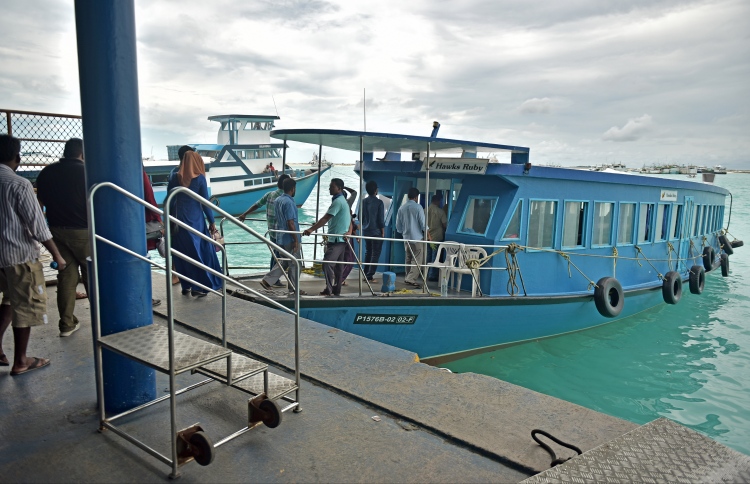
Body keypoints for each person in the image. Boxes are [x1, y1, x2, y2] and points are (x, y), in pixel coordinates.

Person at [0, 134, 66, 375]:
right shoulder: (19, 184)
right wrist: (57, 256)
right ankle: (21, 361)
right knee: (25, 306)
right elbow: (38, 226)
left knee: (10, 299)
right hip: (18, 256)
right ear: (16, 157)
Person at [36, 138, 90, 337]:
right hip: (83, 231)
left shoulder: (47, 172)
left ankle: (66, 324)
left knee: (66, 276)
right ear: (82, 153)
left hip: (56, 231)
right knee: (92, 275)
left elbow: (39, 203)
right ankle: (101, 319)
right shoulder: (87, 172)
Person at [166, 151, 223, 297]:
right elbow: (204, 202)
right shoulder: (199, 179)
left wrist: (167, 219)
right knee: (199, 252)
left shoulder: (174, 176)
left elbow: (169, 199)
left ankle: (186, 285)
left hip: (177, 219)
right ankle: (198, 286)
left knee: (182, 253)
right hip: (195, 220)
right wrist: (211, 221)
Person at [303, 178, 350, 296]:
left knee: (327, 263)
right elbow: (348, 218)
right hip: (340, 238)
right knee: (338, 267)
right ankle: (336, 290)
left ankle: (329, 290)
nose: (329, 188)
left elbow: (326, 218)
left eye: (332, 187)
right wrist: (349, 231)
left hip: (337, 240)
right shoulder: (342, 201)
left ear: (339, 188)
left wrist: (311, 229)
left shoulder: (338, 202)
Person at [238, 173, 291, 278]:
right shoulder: (285, 198)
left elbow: (257, 205)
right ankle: (272, 279)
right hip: (281, 232)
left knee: (275, 255)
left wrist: (245, 214)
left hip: (271, 231)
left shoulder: (269, 194)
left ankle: (271, 278)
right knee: (281, 257)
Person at [259, 178, 305, 295]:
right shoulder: (289, 202)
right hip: (289, 237)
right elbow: (290, 222)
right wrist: (295, 239)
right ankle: (294, 288)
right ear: (293, 188)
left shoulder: (278, 200)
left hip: (280, 236)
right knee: (295, 263)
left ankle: (267, 280)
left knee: (284, 262)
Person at [395, 187, 429, 286]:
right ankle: (411, 279)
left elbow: (398, 226)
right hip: (417, 237)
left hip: (406, 238)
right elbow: (423, 224)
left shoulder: (402, 208)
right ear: (416, 197)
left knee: (408, 258)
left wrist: (403, 232)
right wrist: (428, 235)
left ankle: (407, 277)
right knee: (417, 259)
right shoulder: (418, 207)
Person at [143, 168, 162, 307]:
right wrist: (158, 219)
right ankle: (145, 297)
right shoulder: (139, 173)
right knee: (141, 261)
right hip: (140, 223)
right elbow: (149, 198)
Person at [361, 180, 385, 282]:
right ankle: (369, 276)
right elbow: (380, 219)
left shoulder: (363, 201)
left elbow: (360, 217)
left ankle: (365, 273)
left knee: (368, 252)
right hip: (376, 232)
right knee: (375, 254)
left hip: (366, 231)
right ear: (376, 190)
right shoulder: (379, 202)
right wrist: (382, 232)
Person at [426, 194, 448, 281]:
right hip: (436, 237)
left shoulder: (425, 210)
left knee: (428, 256)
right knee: (435, 257)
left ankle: (425, 273)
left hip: (427, 237)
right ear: (438, 201)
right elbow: (445, 225)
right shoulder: (440, 212)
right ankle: (432, 275)